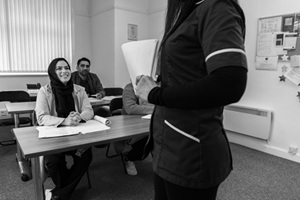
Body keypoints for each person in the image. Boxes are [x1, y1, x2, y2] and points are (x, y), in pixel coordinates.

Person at [135, 0, 248, 199]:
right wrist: (158, 85)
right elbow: (186, 78)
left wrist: (155, 94)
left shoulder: (217, 7)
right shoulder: (189, 13)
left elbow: (230, 83)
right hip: (166, 145)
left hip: (190, 151)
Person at [35, 58, 94, 200]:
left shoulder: (80, 90)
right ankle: (64, 192)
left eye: (66, 68)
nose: (64, 71)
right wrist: (65, 121)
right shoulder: (44, 91)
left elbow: (89, 110)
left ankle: (58, 194)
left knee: (86, 155)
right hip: (53, 137)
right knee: (53, 162)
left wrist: (78, 116)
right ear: (52, 72)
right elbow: (42, 117)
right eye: (59, 68)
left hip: (75, 135)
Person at [113, 82, 154, 175]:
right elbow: (131, 108)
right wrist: (156, 108)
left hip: (147, 122)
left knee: (156, 135)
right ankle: (128, 157)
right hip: (131, 126)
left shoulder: (154, 86)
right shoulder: (130, 87)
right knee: (144, 140)